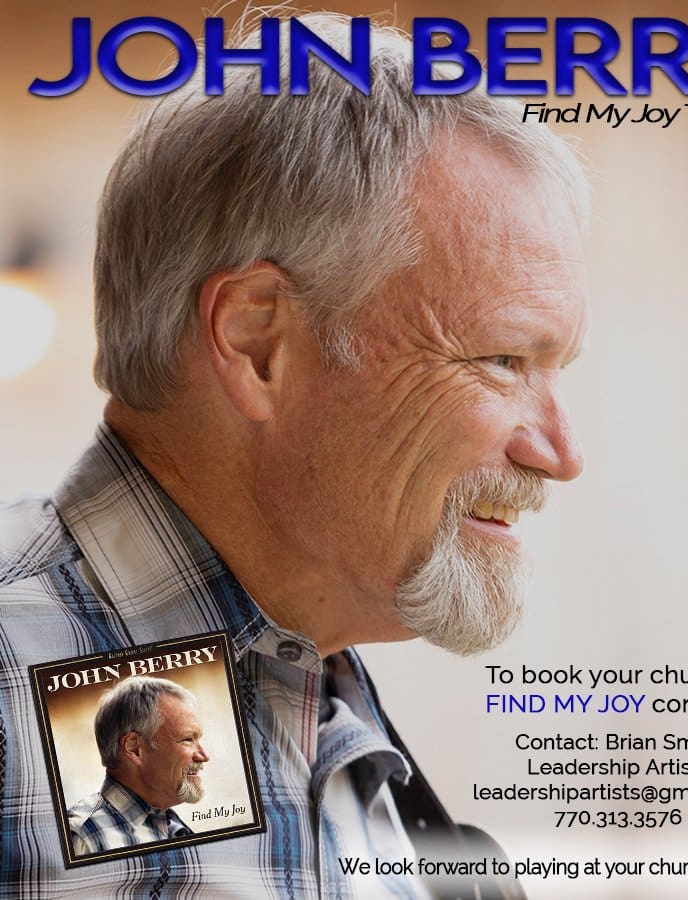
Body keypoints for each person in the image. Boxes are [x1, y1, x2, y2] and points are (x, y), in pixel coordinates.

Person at [0, 11, 588, 898]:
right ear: (258, 343)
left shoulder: (357, 757)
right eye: (501, 359)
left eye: (555, 367)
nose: (559, 453)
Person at [67, 677, 209, 856]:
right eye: (188, 739)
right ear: (134, 748)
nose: (204, 756)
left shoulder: (174, 827)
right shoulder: (84, 836)